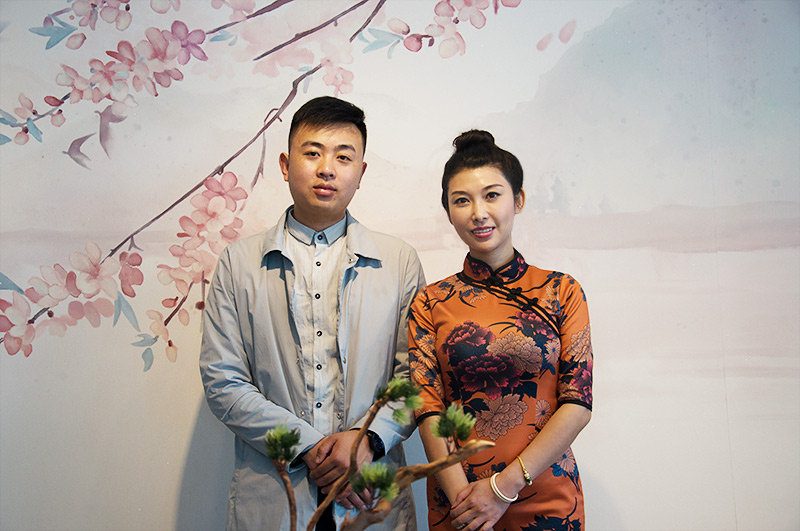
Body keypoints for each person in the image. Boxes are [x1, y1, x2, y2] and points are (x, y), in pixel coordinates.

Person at [200, 96, 424, 531]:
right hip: (275, 493)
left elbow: (415, 377)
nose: (327, 169)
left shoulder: (399, 262)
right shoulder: (238, 262)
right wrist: (309, 447)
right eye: (313, 153)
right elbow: (223, 381)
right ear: (286, 165)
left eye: (343, 157)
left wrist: (365, 443)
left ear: (361, 173)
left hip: (369, 492)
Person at [408, 130, 593, 531]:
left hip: (547, 499)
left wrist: (500, 490)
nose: (478, 212)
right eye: (462, 200)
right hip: (459, 504)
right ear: (448, 211)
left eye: (491, 195)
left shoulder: (561, 291)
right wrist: (466, 502)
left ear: (518, 200)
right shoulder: (429, 303)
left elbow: (578, 403)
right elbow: (427, 409)